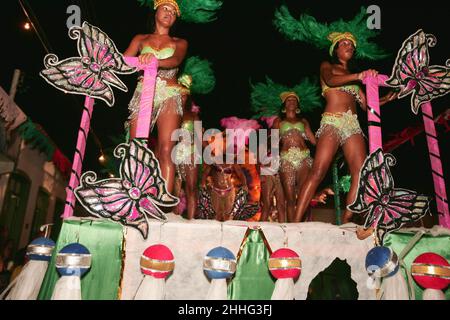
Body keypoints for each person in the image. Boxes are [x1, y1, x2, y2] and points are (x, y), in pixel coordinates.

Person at [294, 33, 398, 235]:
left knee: (360, 171)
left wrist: (388, 97)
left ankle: (346, 222)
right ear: (336, 50)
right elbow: (331, 81)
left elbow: (368, 104)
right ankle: (294, 223)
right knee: (318, 171)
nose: (349, 46)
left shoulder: (355, 78)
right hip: (333, 121)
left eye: (351, 44)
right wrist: (359, 76)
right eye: (344, 43)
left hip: (353, 125)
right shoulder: (328, 66)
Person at [124, 0, 188, 194]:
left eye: (173, 12)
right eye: (165, 9)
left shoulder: (180, 42)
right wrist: (137, 60)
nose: (169, 13)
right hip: (143, 93)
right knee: (136, 148)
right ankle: (133, 198)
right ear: (156, 12)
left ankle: (164, 204)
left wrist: (153, 60)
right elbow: (125, 62)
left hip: (169, 95)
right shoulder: (140, 39)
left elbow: (175, 61)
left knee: (166, 149)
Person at [273, 92, 317, 222]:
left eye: (294, 100)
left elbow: (314, 141)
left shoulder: (303, 121)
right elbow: (274, 144)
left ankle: (301, 226)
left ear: (297, 105)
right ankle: (292, 228)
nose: (291, 102)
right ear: (284, 105)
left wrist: (329, 140)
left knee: (303, 196)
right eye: (288, 100)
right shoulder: (278, 121)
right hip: (286, 160)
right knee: (290, 199)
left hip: (304, 158)